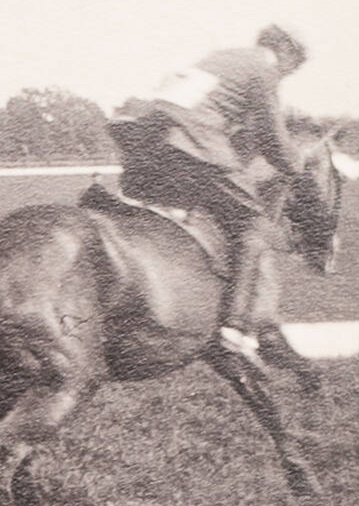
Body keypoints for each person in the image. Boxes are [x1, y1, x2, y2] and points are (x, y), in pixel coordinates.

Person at [107, 23, 309, 365]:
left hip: (146, 140)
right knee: (255, 225)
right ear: (286, 52)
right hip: (191, 144)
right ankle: (235, 328)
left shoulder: (222, 58)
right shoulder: (264, 67)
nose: (289, 73)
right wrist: (297, 164)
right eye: (294, 66)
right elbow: (271, 135)